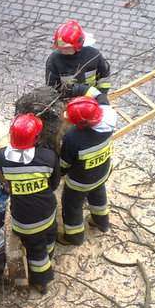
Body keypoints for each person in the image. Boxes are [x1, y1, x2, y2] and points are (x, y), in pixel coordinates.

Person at [0, 113, 60, 293]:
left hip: (24, 221)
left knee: (36, 251)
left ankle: (40, 279)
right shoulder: (48, 157)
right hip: (47, 212)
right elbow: (54, 183)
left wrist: (6, 182)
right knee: (48, 238)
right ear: (36, 138)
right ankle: (44, 274)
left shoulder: (3, 158)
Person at [58, 95, 117, 245]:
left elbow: (64, 163)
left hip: (80, 182)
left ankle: (74, 236)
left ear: (82, 123)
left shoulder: (73, 138)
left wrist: (57, 174)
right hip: (102, 172)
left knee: (72, 206)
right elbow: (101, 97)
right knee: (98, 195)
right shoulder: (109, 119)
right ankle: (101, 222)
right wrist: (81, 90)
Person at [45, 19, 112, 99]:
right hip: (67, 100)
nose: (63, 50)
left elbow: (104, 77)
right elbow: (52, 88)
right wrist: (80, 90)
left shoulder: (93, 56)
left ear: (78, 44)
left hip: (92, 98)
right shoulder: (54, 60)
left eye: (67, 48)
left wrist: (101, 95)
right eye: (60, 48)